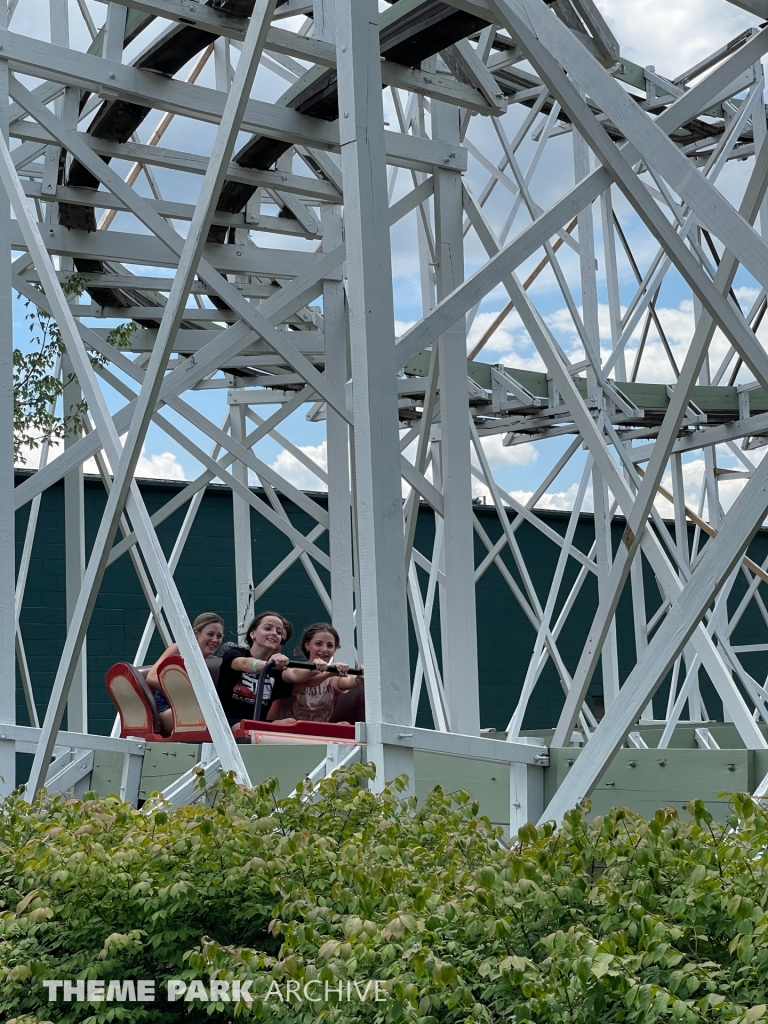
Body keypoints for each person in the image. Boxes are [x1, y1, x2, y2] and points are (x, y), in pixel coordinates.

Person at [146, 612, 225, 735]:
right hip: (169, 710)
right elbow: (151, 677)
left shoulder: (215, 663)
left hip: (201, 710)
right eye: (210, 634)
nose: (215, 640)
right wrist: (186, 689)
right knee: (208, 715)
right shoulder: (178, 649)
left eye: (219, 636)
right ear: (196, 634)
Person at [215, 610, 297, 728]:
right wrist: (268, 665)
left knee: (290, 722)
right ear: (252, 633)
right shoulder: (234, 653)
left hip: (257, 724)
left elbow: (295, 673)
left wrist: (318, 667)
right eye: (268, 628)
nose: (274, 633)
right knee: (243, 727)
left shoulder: (277, 668)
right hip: (227, 722)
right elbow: (244, 663)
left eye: (279, 632)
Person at [272, 623, 364, 723]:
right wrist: (321, 670)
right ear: (307, 645)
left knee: (344, 725)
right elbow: (297, 676)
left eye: (330, 645)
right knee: (290, 722)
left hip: (320, 730)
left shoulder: (332, 677)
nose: (324, 650)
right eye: (318, 644)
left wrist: (358, 679)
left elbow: (347, 681)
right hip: (290, 729)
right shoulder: (294, 669)